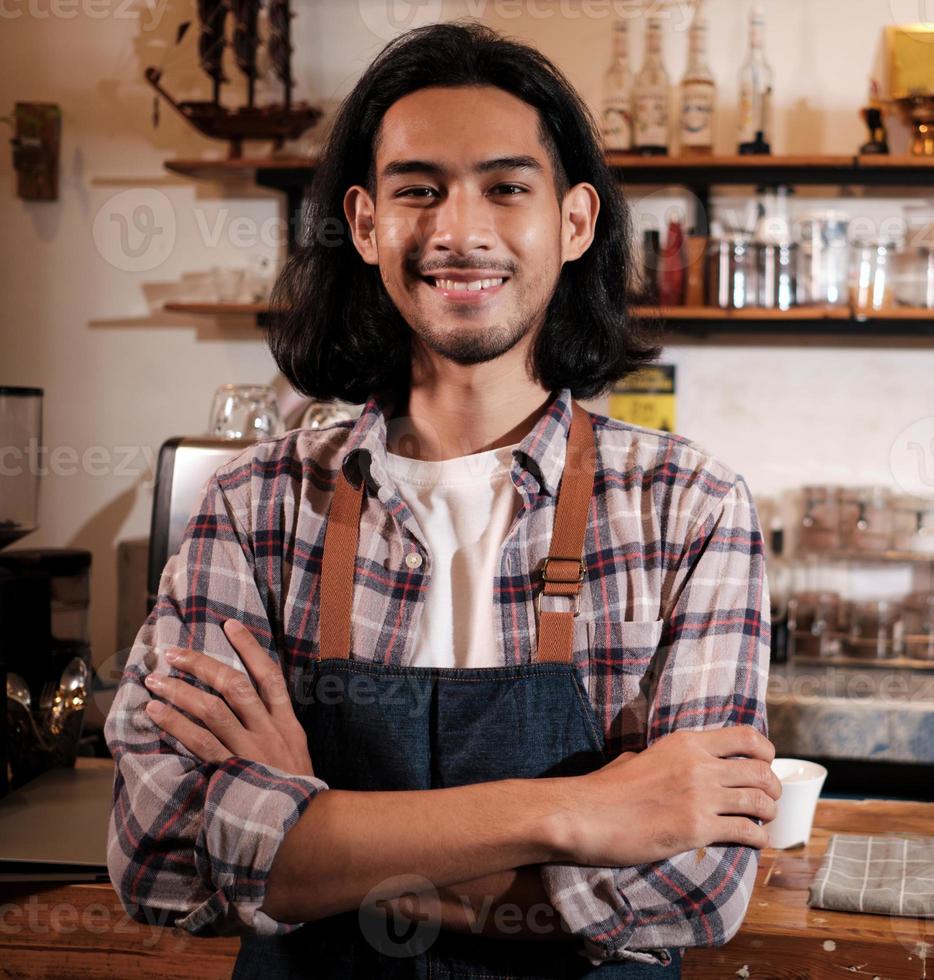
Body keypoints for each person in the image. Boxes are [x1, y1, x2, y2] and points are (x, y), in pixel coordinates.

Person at [104, 22, 777, 978]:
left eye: (506, 187)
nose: (459, 231)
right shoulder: (255, 506)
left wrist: (308, 831)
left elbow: (694, 888)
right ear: (367, 223)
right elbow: (161, 854)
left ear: (574, 222)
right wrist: (575, 815)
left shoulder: (689, 509)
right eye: (419, 189)